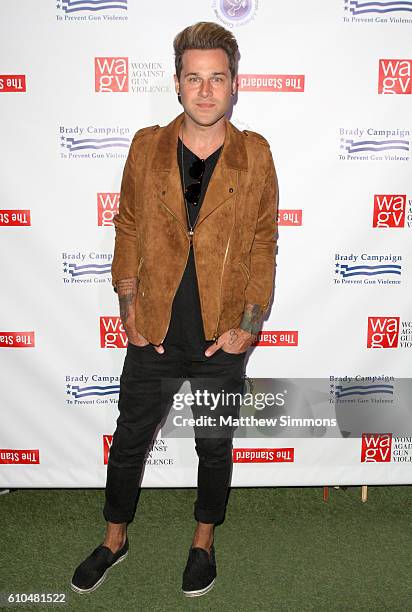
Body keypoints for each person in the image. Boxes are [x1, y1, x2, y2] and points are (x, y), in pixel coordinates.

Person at [71, 21, 279, 598]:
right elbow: (128, 226)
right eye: (195, 78)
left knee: (214, 443)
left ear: (234, 85)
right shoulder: (146, 145)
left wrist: (249, 325)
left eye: (218, 78)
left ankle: (202, 542)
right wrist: (129, 303)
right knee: (130, 436)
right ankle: (115, 538)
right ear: (178, 83)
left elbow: (264, 242)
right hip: (154, 329)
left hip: (220, 334)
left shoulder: (255, 154)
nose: (206, 91)